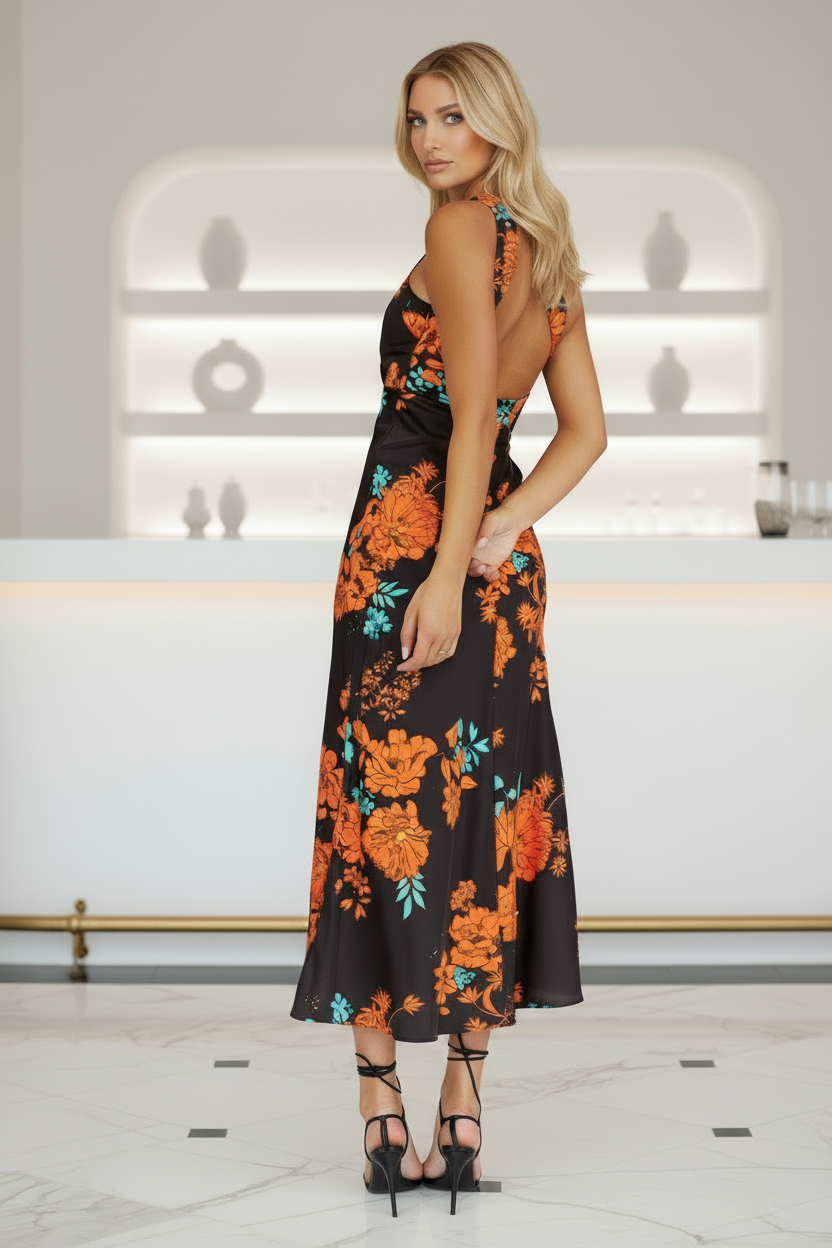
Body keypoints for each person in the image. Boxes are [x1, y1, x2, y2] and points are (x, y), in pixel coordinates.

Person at [290, 40, 606, 1216]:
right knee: (473, 818)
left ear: (496, 125)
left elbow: (469, 412)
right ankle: (461, 1105)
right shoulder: (551, 253)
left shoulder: (461, 231)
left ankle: (381, 1107)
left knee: (378, 809)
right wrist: (505, 531)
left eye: (453, 115)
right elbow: (581, 434)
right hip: (487, 558)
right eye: (417, 116)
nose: (430, 137)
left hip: (406, 558)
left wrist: (437, 568)